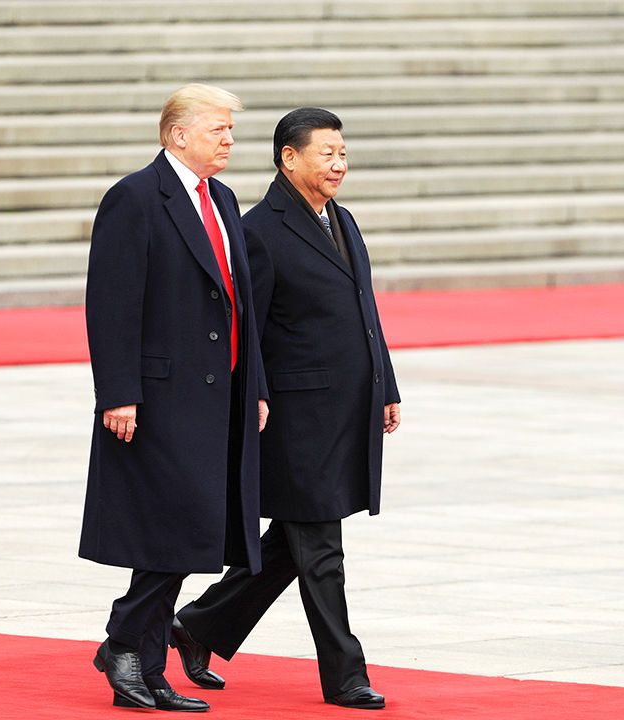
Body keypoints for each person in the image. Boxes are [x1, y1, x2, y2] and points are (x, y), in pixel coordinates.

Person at [169, 107, 401, 711]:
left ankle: (200, 625)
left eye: (343, 154)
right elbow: (245, 327)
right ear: (288, 158)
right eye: (327, 154)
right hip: (295, 419)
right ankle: (346, 673)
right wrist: (257, 397)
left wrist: (386, 385)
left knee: (291, 544)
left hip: (343, 409)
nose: (339, 165)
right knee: (321, 547)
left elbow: (364, 311)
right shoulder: (259, 231)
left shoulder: (342, 221)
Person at [79, 83, 269, 713]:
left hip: (220, 395)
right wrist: (119, 394)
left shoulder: (220, 197)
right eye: (219, 130)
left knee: (189, 531)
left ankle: (140, 658)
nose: (230, 141)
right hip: (159, 397)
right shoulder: (135, 198)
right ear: (177, 134)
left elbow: (241, 303)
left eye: (230, 131)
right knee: (178, 528)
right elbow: (111, 304)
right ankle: (126, 643)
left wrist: (256, 386)